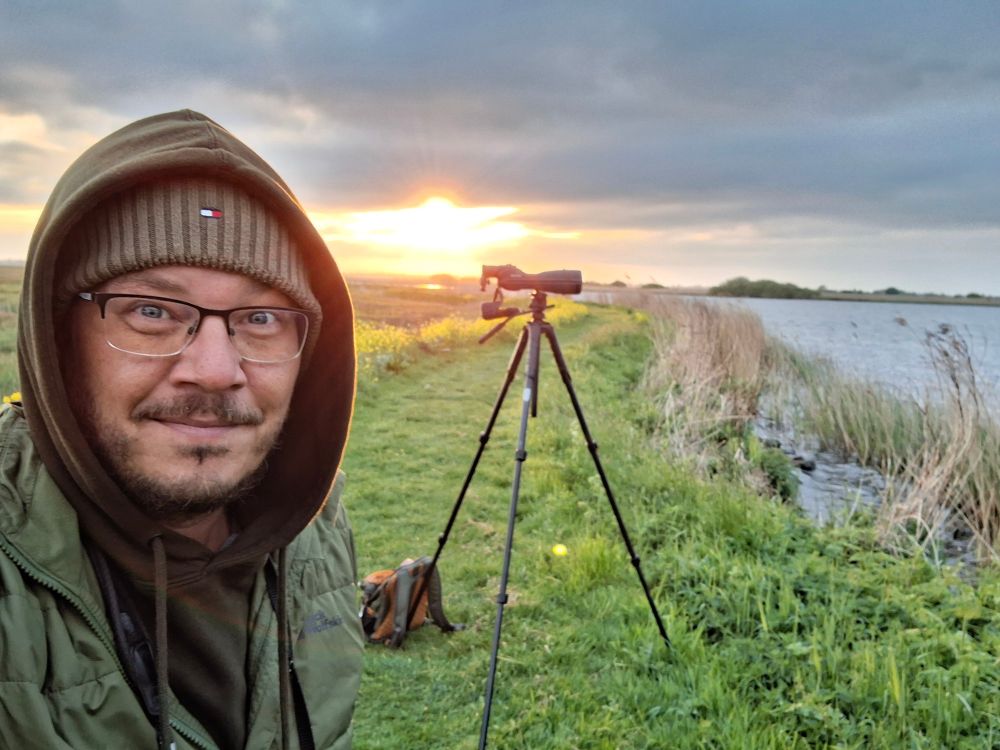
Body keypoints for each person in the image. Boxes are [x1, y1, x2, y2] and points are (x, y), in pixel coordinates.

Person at [0, 110, 362, 749]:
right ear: (57, 342)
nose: (217, 371)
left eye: (260, 318)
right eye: (151, 311)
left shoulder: (315, 521)